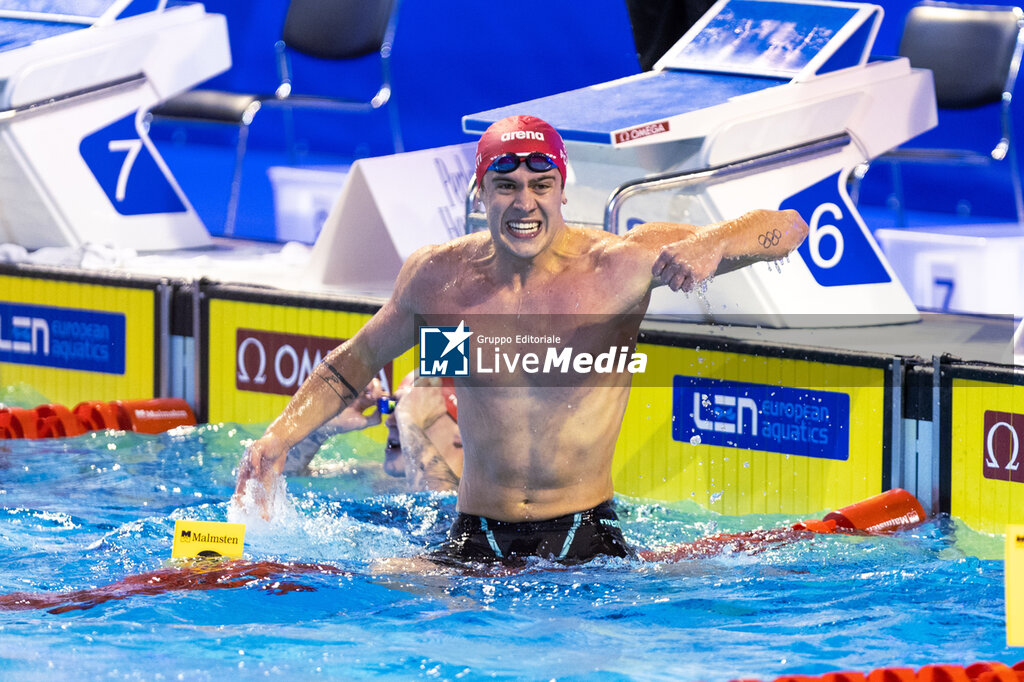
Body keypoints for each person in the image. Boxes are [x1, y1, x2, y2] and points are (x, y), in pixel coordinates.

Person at [234, 114, 809, 565]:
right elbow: (351, 364)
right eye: (506, 186)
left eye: (541, 184)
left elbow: (787, 228)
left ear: (563, 192)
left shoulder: (623, 262)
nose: (524, 203)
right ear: (480, 193)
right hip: (473, 535)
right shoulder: (438, 277)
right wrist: (280, 437)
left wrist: (715, 241)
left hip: (585, 536)